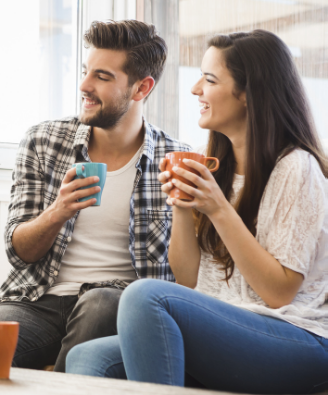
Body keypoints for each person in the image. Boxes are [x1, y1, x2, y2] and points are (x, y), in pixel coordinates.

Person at [65, 30, 328, 394]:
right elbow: (188, 280)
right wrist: (184, 208)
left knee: (144, 296)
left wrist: (218, 209)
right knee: (86, 359)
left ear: (248, 94)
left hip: (297, 338)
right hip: (227, 330)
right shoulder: (217, 168)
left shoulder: (296, 167)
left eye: (209, 79)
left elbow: (278, 293)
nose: (195, 90)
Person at [0, 20, 190, 372]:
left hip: (116, 301)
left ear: (141, 88)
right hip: (38, 300)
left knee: (102, 305)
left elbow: (181, 277)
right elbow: (20, 253)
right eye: (85, 71)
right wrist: (58, 211)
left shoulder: (174, 159)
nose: (84, 86)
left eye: (102, 77)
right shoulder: (43, 141)